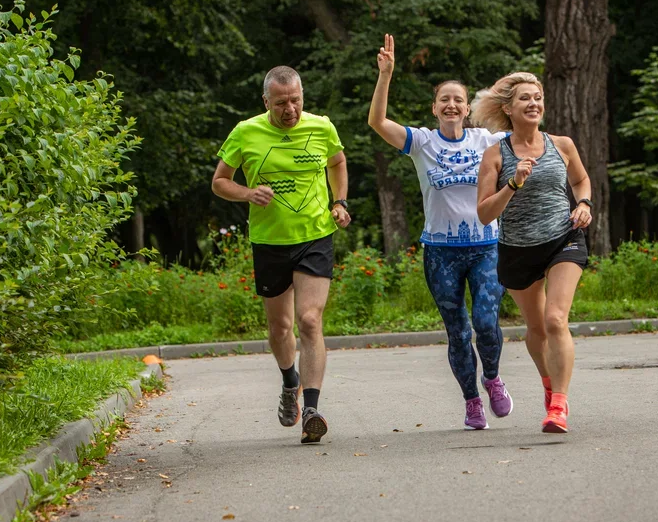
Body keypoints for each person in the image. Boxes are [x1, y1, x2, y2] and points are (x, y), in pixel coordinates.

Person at [367, 34, 514, 430]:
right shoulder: (422, 142)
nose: (451, 105)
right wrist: (386, 75)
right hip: (441, 253)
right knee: (458, 331)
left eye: (458, 100)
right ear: (434, 108)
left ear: (467, 109)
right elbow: (377, 122)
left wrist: (513, 90)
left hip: (486, 247)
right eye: (444, 99)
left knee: (486, 322)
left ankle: (492, 378)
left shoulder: (489, 141)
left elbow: (528, 132)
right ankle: (471, 401)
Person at [211, 66, 351, 443]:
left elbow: (337, 162)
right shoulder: (245, 132)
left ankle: (312, 409)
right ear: (266, 102)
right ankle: (290, 380)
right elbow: (220, 182)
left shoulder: (321, 127)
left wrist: (339, 202)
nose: (290, 109)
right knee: (281, 328)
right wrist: (247, 193)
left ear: (303, 96)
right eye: (280, 103)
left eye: (295, 101)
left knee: (309, 320)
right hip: (270, 241)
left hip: (315, 236)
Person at [475, 72, 592, 434]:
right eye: (525, 98)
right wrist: (513, 183)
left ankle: (559, 406)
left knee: (556, 319)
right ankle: (548, 382)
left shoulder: (562, 144)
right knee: (537, 328)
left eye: (538, 98)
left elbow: (580, 180)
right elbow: (484, 213)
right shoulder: (496, 155)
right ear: (508, 109)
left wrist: (584, 203)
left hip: (563, 239)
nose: (533, 104)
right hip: (518, 249)